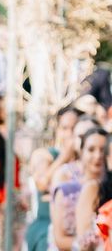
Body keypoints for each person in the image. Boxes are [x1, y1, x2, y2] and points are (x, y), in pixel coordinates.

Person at [26, 106, 80, 251]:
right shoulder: (45, 154)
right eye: (64, 128)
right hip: (46, 225)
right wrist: (64, 158)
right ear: (58, 130)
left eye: (73, 128)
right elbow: (42, 183)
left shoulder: (85, 159)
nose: (69, 133)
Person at [50, 127, 107, 250]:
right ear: (81, 152)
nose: (98, 155)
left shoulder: (108, 189)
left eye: (103, 150)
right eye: (91, 150)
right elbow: (59, 239)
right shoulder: (66, 190)